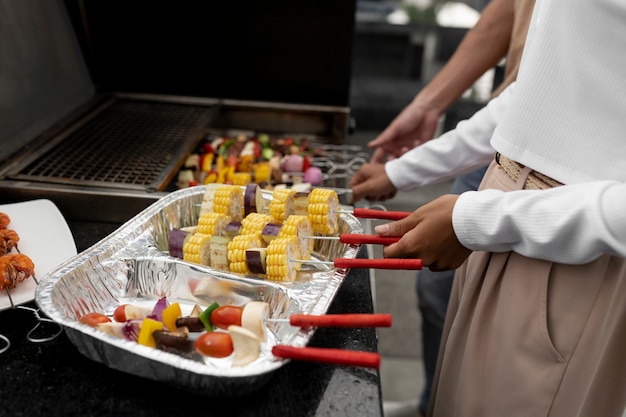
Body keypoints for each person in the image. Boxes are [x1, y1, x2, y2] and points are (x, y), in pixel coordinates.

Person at [351, 0, 626, 415]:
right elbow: (542, 86)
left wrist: (477, 220)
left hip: (568, 251)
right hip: (503, 225)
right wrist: (405, 170)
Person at [358, 1, 535, 415]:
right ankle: (432, 406)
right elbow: (526, 89)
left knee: (513, 327)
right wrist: (407, 163)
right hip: (502, 146)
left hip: (560, 184)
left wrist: (473, 220)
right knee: (441, 291)